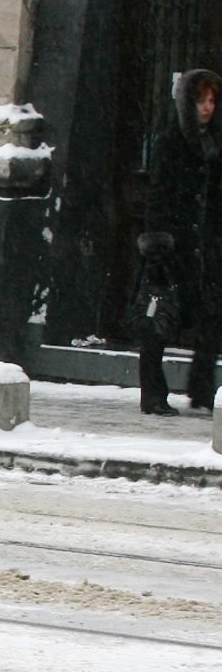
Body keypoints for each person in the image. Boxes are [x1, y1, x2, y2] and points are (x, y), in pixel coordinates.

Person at [141, 68, 222, 416]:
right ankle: (153, 393)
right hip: (175, 246)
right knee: (161, 319)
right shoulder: (171, 141)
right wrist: (159, 244)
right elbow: (158, 195)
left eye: (212, 101)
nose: (207, 108)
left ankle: (201, 389)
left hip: (208, 246)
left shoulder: (215, 143)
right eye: (201, 100)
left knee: (213, 316)